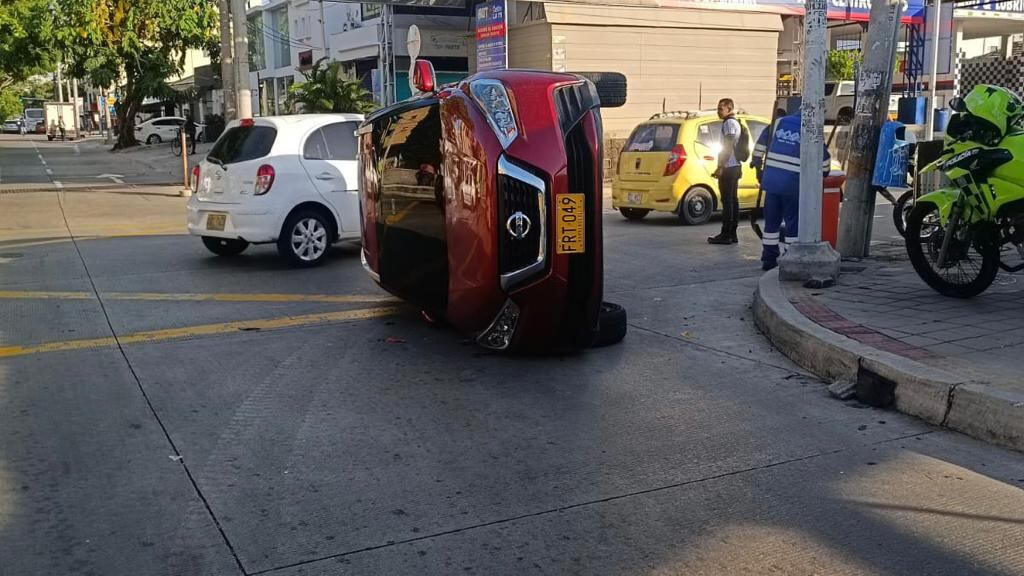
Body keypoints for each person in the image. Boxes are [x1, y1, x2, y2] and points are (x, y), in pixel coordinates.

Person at [749, 113, 832, 271]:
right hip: (792, 184)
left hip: (771, 181)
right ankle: (790, 257)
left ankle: (769, 259)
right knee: (792, 223)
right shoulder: (811, 129)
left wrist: (758, 165)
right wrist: (823, 173)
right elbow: (824, 162)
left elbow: (759, 147)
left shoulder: (779, 122)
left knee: (771, 223)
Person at [708, 98, 745, 245]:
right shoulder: (733, 122)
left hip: (729, 167)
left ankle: (726, 234)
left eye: (720, 109)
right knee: (732, 201)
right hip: (733, 166)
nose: (718, 112)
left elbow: (728, 145)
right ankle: (732, 234)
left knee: (728, 201)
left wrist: (721, 166)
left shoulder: (729, 123)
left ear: (729, 109)